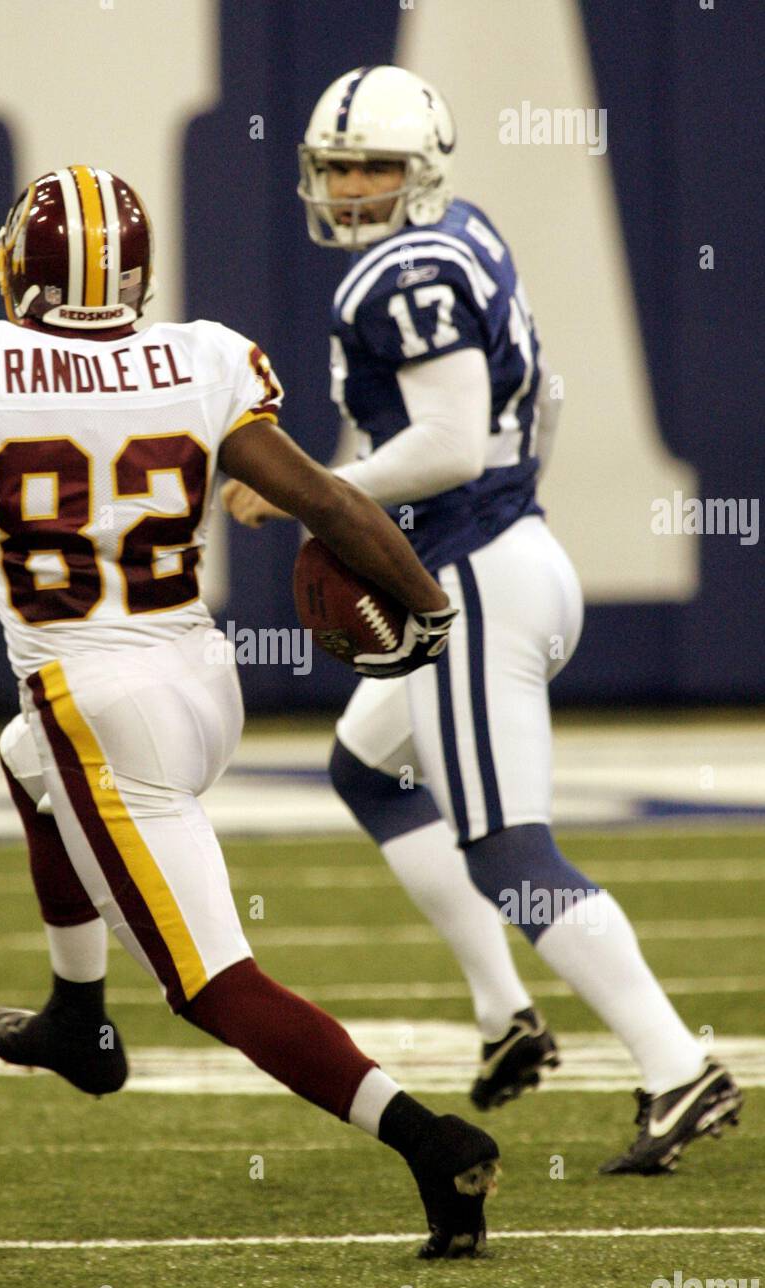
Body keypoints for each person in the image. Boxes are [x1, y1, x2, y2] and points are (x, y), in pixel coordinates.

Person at [0, 164, 498, 1257]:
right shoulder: (201, 357)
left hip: (99, 705)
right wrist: (426, 610)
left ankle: (430, 1143)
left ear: (17, 267)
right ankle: (77, 1014)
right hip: (201, 682)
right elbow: (330, 500)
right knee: (21, 755)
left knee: (211, 982)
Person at [222, 67, 742, 1174]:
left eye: (376, 167)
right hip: (503, 558)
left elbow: (454, 443)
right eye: (341, 166)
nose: (355, 187)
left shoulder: (404, 273)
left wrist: (314, 486)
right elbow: (540, 398)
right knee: (369, 769)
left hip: (466, 585)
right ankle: (506, 1008)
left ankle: (672, 1063)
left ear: (423, 171)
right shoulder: (465, 235)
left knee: (509, 847)